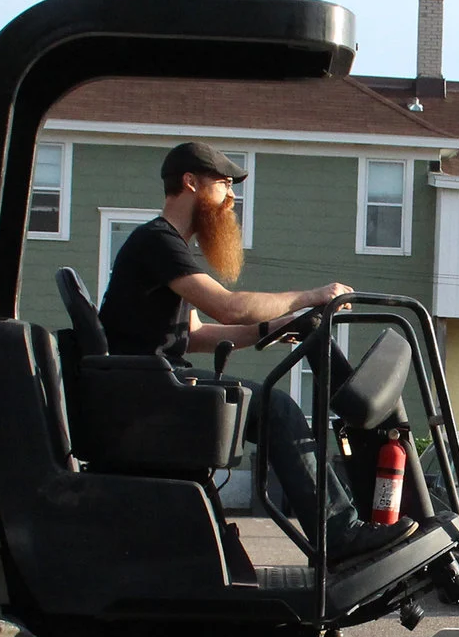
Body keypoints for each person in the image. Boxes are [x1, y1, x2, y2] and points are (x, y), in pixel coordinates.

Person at [99, 140, 414, 562]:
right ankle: (339, 536)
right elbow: (229, 306)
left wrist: (271, 328)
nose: (231, 197)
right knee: (277, 409)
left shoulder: (164, 246)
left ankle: (337, 532)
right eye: (224, 184)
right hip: (151, 392)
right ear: (190, 182)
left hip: (151, 387)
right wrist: (312, 296)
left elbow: (195, 334)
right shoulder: (158, 241)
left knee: (272, 407)